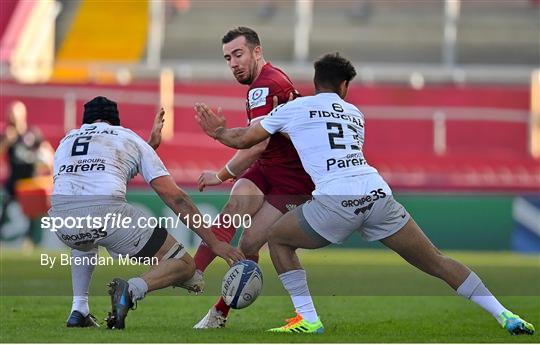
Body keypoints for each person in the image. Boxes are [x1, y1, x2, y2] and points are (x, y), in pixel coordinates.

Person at [194, 53, 535, 335]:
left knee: (278, 240)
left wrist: (219, 132)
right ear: (344, 86)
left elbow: (246, 140)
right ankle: (504, 313)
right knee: (437, 261)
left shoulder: (294, 109)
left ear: (316, 83)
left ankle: (308, 319)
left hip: (334, 201)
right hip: (377, 195)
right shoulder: (356, 114)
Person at [49, 96, 243, 329]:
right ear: (116, 122)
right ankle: (131, 290)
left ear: (85, 122)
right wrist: (214, 243)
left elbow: (97, 175)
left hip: (61, 221)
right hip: (106, 214)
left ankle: (79, 310)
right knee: (183, 263)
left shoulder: (66, 141)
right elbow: (176, 197)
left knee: (86, 237)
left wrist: (149, 146)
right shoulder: (128, 137)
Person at [192, 26, 314, 329]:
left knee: (249, 244)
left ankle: (219, 310)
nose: (233, 63)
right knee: (234, 209)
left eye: (238, 54)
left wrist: (220, 174)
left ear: (256, 52)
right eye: (227, 58)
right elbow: (260, 144)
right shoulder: (269, 80)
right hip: (267, 167)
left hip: (292, 182)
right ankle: (193, 272)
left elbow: (254, 143)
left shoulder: (264, 86)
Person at [0, 101, 54, 248]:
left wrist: (48, 165)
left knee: (33, 213)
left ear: (22, 114)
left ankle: (30, 241)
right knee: (5, 207)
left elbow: (47, 152)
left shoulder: (32, 133)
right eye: (10, 111)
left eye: (14, 112)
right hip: (13, 182)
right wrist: (6, 141)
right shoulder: (6, 134)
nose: (11, 115)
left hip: (29, 182)